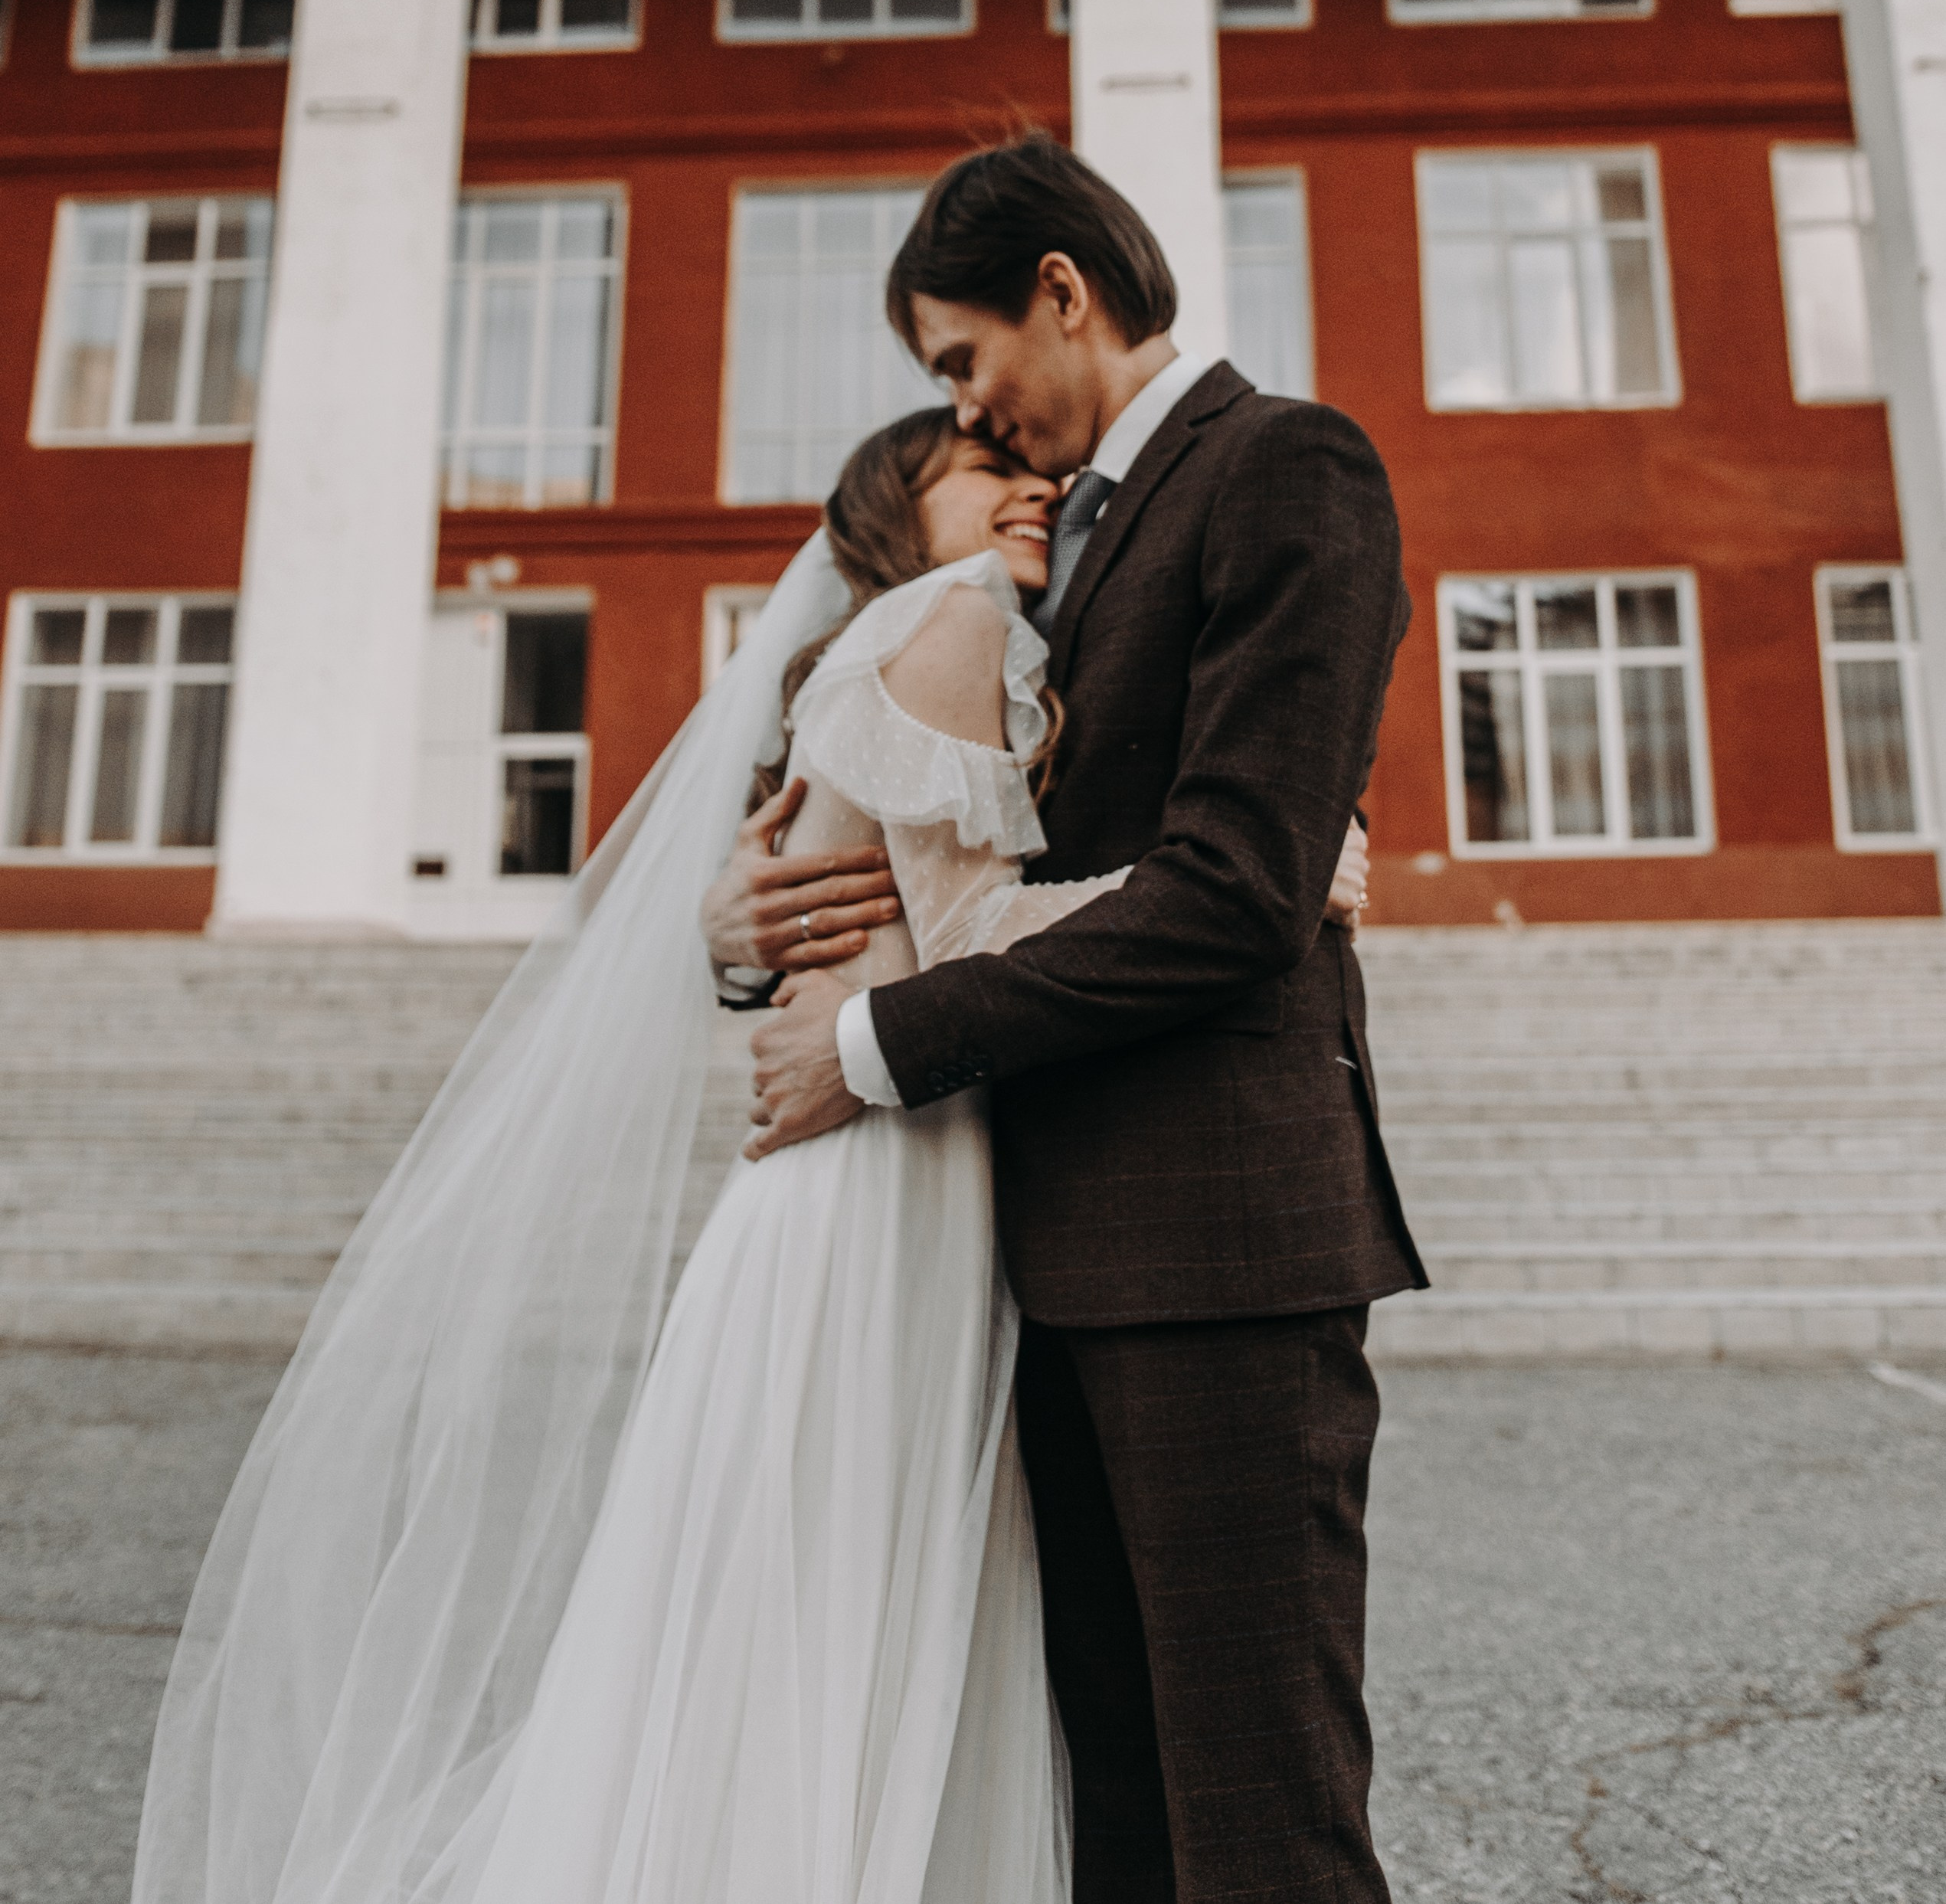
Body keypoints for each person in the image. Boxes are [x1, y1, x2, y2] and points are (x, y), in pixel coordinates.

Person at [138, 405, 1190, 1904]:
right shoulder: (950, 625)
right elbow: (962, 940)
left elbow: (889, 923)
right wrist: (1219, 886)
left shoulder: (908, 647)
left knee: (790, 1599)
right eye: (987, 470)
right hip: (881, 1182)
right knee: (853, 1584)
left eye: (1040, 474)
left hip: (869, 1173)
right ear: (898, 505)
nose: (1033, 490)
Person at [710, 136, 1426, 1904]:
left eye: (961, 362)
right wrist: (748, 929)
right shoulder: (1037, 564)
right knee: (1107, 1802)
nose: (966, 411)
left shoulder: (1284, 466)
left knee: (1259, 1810)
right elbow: (923, 839)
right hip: (1033, 1252)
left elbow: (1232, 891)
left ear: (1060, 287)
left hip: (1213, 1251)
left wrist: (871, 1045)